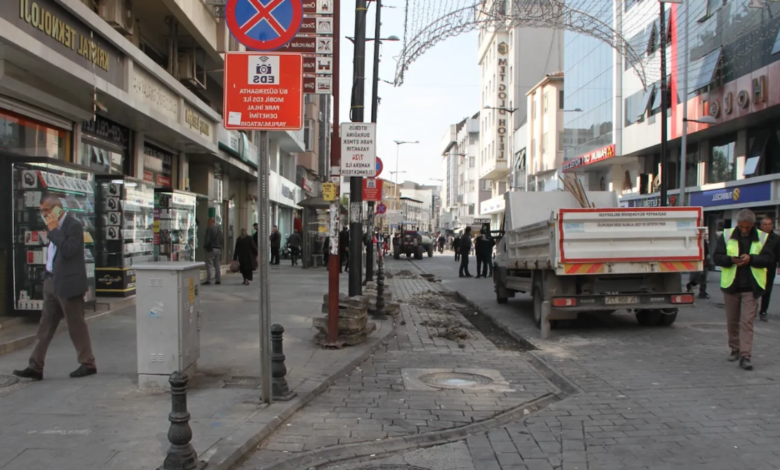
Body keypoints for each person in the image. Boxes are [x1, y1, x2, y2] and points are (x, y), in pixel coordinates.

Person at [13, 194, 97, 381]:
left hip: (69, 283)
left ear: (58, 209)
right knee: (45, 326)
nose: (43, 214)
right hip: (51, 281)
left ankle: (88, 363)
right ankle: (35, 366)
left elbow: (68, 250)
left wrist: (53, 230)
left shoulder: (73, 225)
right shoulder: (53, 227)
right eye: (41, 211)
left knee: (76, 325)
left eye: (46, 210)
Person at [713, 209, 775, 371]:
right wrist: (730, 260)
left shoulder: (763, 237)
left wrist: (751, 259)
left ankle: (745, 355)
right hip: (731, 286)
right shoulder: (727, 236)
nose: (745, 230)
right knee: (732, 320)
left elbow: (769, 260)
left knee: (747, 322)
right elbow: (717, 257)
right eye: (742, 227)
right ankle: (735, 348)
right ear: (738, 224)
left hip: (751, 287)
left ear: (753, 225)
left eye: (747, 227)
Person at [759, 216, 780, 322]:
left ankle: (763, 311)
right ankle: (751, 309)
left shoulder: (776, 238)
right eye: (765, 224)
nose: (767, 226)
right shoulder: (756, 236)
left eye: (769, 224)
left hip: (770, 267)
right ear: (761, 226)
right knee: (754, 289)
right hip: (757, 266)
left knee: (767, 290)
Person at [203, 217, 223, 285]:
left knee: (209, 264)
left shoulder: (209, 228)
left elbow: (207, 238)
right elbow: (222, 239)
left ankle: (208, 279)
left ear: (210, 222)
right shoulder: (219, 229)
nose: (207, 223)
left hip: (211, 249)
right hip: (218, 248)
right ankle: (218, 279)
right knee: (217, 265)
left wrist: (205, 246)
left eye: (208, 222)